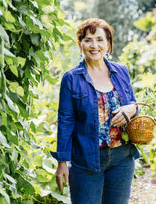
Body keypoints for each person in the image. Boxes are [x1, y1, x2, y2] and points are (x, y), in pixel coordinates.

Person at [50, 18, 140, 204]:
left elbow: (133, 103)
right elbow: (65, 121)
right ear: (80, 44)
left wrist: (132, 109)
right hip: (86, 161)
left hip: (122, 159)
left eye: (99, 39)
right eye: (88, 40)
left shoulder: (121, 71)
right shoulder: (72, 79)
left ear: (108, 44)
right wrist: (62, 163)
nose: (94, 45)